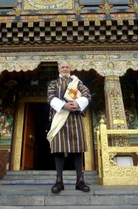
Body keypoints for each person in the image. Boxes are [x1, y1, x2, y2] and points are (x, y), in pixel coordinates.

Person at [47, 60, 91, 194]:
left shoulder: (77, 83)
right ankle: (59, 181)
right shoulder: (53, 83)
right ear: (59, 69)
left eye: (67, 67)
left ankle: (80, 181)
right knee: (59, 149)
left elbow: (87, 95)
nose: (65, 69)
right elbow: (50, 97)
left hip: (75, 119)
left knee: (78, 150)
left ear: (70, 68)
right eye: (63, 67)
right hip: (59, 119)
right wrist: (63, 105)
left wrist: (77, 104)